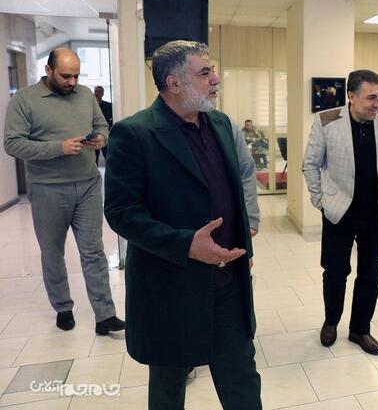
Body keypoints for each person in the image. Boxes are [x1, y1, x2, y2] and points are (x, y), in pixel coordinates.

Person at [103, 40, 262, 409]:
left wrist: (244, 244)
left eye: (212, 71)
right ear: (173, 84)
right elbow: (121, 212)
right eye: (204, 73)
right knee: (168, 390)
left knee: (242, 383)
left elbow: (234, 191)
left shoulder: (221, 124)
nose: (215, 79)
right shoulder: (134, 134)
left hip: (227, 284)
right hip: (170, 288)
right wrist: (186, 244)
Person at [3, 48, 123, 334]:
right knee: (53, 252)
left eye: (76, 76)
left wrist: (100, 138)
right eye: (66, 76)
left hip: (88, 184)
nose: (72, 82)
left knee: (93, 252)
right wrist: (58, 148)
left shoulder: (85, 95)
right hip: (47, 189)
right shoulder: (24, 100)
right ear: (48, 70)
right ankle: (63, 307)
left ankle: (105, 315)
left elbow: (101, 125)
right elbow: (12, 143)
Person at [303, 69, 378, 355]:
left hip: (375, 212)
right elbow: (310, 164)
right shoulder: (327, 121)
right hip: (339, 212)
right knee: (335, 272)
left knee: (370, 276)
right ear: (351, 96)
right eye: (371, 97)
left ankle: (360, 330)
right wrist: (320, 201)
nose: (377, 103)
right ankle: (331, 322)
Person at [94, 85, 113, 165]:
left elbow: (112, 119)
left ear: (103, 94)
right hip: (93, 135)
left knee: (108, 155)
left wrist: (110, 129)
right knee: (94, 158)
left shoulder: (109, 106)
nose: (97, 93)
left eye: (99, 92)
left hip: (106, 134)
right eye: (96, 91)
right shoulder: (90, 106)